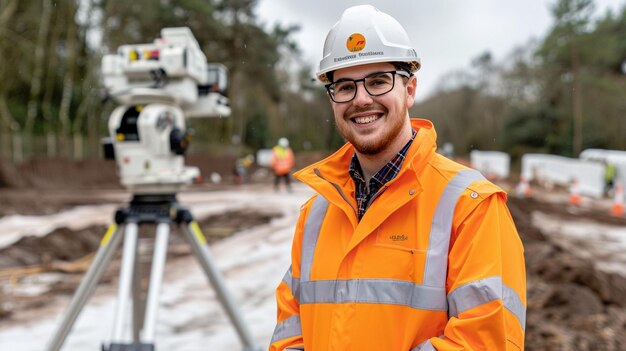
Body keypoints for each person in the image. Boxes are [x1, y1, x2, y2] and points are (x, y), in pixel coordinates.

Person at [270, 5, 526, 351]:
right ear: (332, 99)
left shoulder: (471, 206)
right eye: (344, 86)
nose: (361, 99)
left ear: (409, 90)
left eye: (378, 81)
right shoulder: (315, 213)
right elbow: (290, 332)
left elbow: (487, 342)